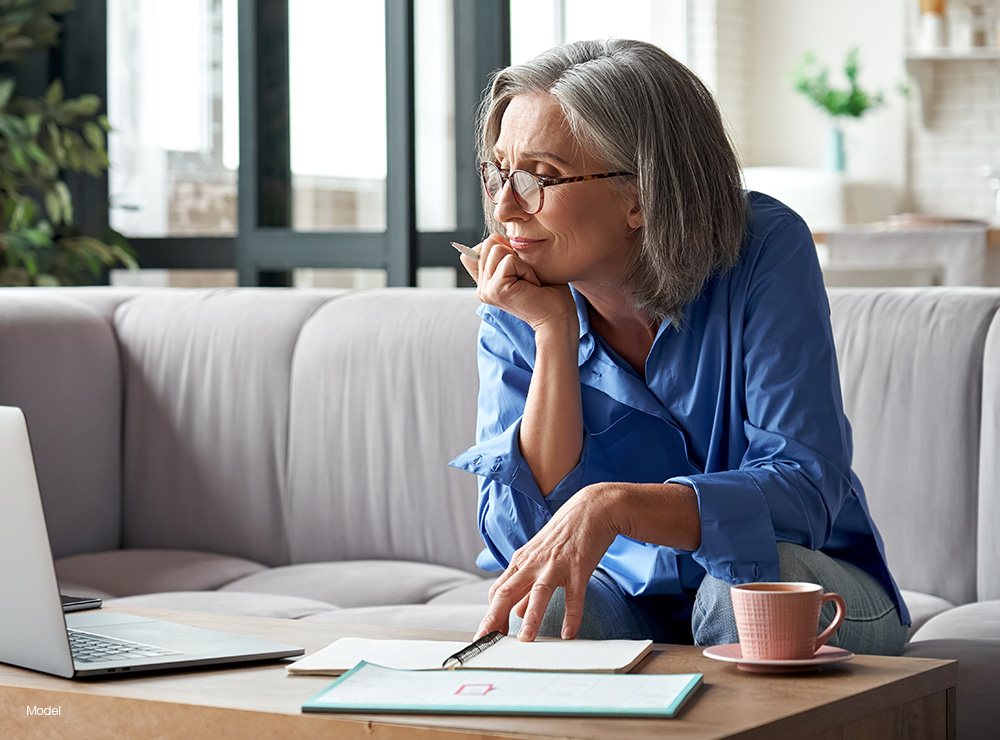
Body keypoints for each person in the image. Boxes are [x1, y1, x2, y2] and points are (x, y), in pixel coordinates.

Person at [448, 39, 909, 654]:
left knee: (738, 593)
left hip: (806, 580)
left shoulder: (766, 249)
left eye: (540, 177)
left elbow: (803, 490)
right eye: (498, 172)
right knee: (549, 605)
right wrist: (553, 334)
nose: (505, 208)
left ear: (642, 194)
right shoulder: (521, 293)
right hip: (628, 596)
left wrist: (617, 506)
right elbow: (523, 538)